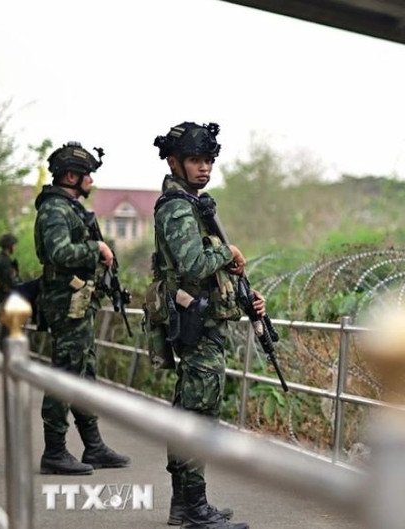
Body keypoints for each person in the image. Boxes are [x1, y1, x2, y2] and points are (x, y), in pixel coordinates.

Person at [152, 122, 262, 529]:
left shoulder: (192, 204)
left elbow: (207, 273)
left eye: (209, 160)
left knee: (191, 410)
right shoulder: (178, 206)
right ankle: (193, 507)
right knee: (198, 413)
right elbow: (194, 265)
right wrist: (226, 250)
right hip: (195, 325)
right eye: (196, 160)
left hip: (204, 319)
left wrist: (245, 297)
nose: (204, 168)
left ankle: (185, 505)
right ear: (174, 162)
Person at [34, 141, 130, 475]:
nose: (91, 181)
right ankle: (54, 451)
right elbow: (59, 252)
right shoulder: (55, 210)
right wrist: (96, 248)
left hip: (79, 302)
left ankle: (93, 446)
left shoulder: (69, 207)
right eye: (87, 175)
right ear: (72, 176)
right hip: (66, 303)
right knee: (65, 374)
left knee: (84, 372)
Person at [0, 233, 22, 304]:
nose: (15, 247)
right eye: (14, 245)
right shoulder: (5, 261)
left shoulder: (2, 259)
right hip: (5, 298)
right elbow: (6, 283)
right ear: (9, 246)